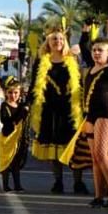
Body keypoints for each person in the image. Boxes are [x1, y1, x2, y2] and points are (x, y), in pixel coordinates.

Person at [27, 25, 87, 194]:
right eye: (54, 39)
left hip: (70, 109)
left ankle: (78, 182)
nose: (58, 42)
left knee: (74, 147)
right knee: (54, 149)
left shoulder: (72, 60)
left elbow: (81, 83)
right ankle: (58, 182)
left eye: (61, 39)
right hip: (49, 109)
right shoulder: (41, 61)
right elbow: (34, 85)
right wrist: (29, 104)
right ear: (48, 42)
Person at [80, 38, 108, 207]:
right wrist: (85, 33)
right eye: (95, 50)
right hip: (89, 115)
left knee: (101, 154)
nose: (96, 52)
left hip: (105, 114)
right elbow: (84, 49)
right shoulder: (90, 69)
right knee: (94, 158)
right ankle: (98, 196)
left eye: (101, 50)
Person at [0, 77, 29, 192]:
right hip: (7, 138)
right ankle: (6, 185)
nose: (13, 95)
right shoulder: (4, 106)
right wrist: (22, 112)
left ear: (20, 93)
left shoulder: (21, 106)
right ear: (5, 93)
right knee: (6, 162)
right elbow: (7, 121)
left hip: (18, 139)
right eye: (10, 92)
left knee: (16, 162)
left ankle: (17, 185)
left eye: (16, 92)